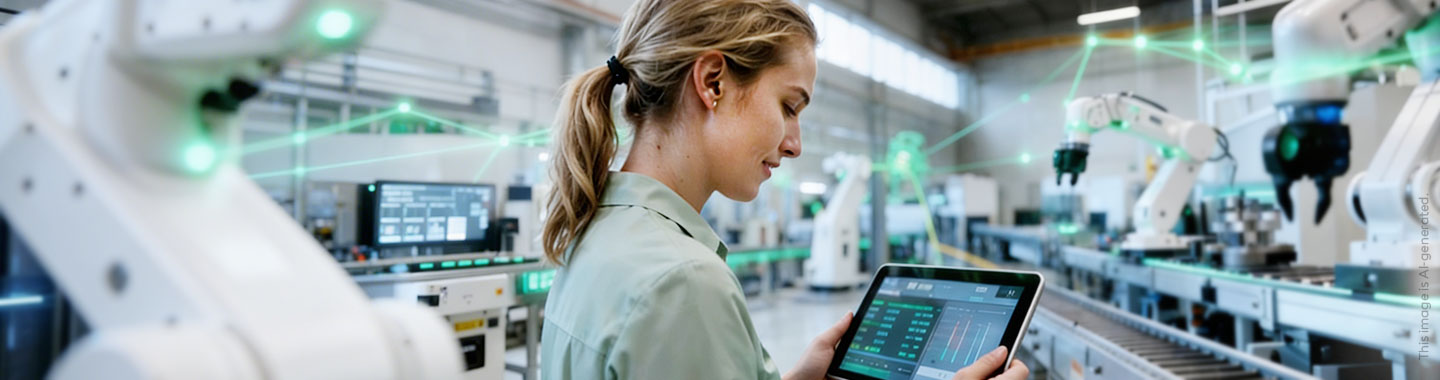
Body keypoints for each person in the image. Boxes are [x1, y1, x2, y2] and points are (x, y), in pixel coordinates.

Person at [538, 1, 1030, 379]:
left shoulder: (595, 231)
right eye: (789, 107)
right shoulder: (682, 282)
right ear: (713, 82)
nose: (794, 145)